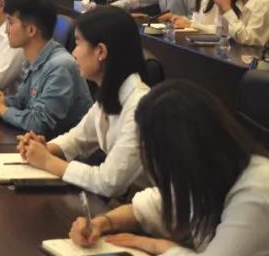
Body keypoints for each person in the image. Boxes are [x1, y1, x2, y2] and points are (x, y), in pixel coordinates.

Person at [66, 80, 269, 255]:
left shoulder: (256, 190)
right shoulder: (210, 170)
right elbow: (152, 206)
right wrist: (101, 223)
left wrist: (159, 246)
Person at [17, 6, 150, 198]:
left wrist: (47, 161)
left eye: (78, 43)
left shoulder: (139, 106)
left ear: (101, 51)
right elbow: (77, 139)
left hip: (150, 209)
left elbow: (108, 182)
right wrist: (43, 149)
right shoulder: (111, 92)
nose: (73, 53)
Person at [0, 0, 92, 136]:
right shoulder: (33, 60)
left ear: (31, 30)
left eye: (11, 23)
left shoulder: (60, 66)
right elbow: (24, 102)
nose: (6, 30)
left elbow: (40, 123)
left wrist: (2, 109)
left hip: (59, 146)